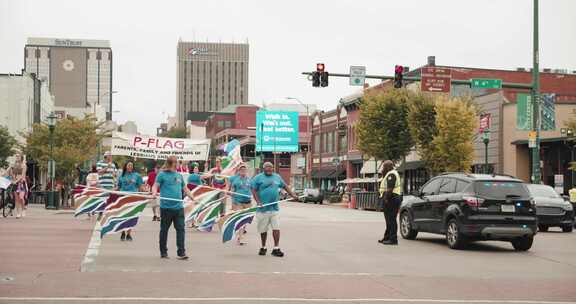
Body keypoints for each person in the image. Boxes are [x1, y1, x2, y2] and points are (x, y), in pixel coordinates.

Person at [251, 162, 298, 257]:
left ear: (273, 168)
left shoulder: (277, 177)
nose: (269, 169)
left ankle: (276, 248)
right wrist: (258, 201)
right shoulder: (258, 178)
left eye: (270, 168)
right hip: (262, 209)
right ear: (263, 169)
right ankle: (263, 247)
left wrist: (292, 194)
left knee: (276, 228)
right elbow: (254, 190)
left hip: (274, 209)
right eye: (267, 168)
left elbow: (285, 186)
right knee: (263, 230)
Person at [152, 156, 194, 260]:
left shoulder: (179, 175)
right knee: (164, 230)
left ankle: (181, 252)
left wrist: (192, 196)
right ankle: (163, 252)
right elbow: (155, 186)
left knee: (181, 230)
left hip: (178, 208)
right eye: (175, 163)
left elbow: (185, 188)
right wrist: (154, 193)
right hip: (166, 207)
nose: (177, 164)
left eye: (177, 162)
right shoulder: (162, 175)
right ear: (170, 163)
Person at [117, 160, 144, 241]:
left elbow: (140, 187)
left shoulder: (137, 176)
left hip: (133, 198)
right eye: (128, 165)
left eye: (131, 165)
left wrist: (145, 193)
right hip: (123, 198)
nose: (130, 167)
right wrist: (110, 192)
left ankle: (129, 234)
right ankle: (122, 232)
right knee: (122, 216)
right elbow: (118, 187)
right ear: (125, 166)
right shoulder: (121, 176)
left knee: (131, 216)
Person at [378, 160, 402, 246]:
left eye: (384, 167)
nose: (383, 168)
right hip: (392, 198)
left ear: (388, 167)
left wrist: (386, 199)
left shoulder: (391, 174)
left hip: (392, 198)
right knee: (389, 220)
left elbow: (390, 188)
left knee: (391, 219)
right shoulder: (390, 173)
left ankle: (393, 239)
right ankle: (387, 237)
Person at [228, 163, 252, 245]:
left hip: (248, 202)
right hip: (238, 202)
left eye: (244, 170)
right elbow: (232, 190)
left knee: (245, 220)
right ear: (239, 171)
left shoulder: (249, 179)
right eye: (241, 170)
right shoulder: (236, 180)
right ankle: (240, 238)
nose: (243, 171)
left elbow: (253, 189)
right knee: (241, 219)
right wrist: (230, 193)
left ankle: (240, 235)